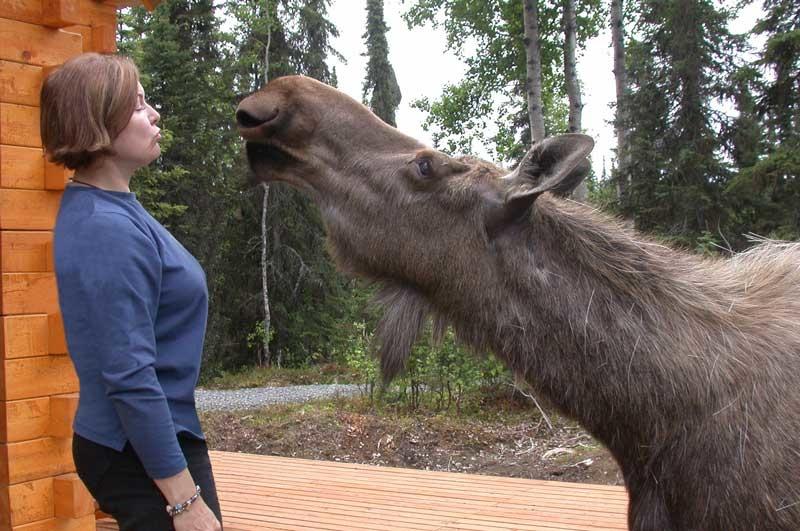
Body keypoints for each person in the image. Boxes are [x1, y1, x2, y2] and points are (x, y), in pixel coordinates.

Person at [40, 53, 223, 531]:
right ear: (98, 121)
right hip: (135, 450)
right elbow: (129, 376)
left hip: (150, 437)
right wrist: (184, 502)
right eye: (139, 105)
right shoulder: (106, 228)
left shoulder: (114, 208)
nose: (154, 113)